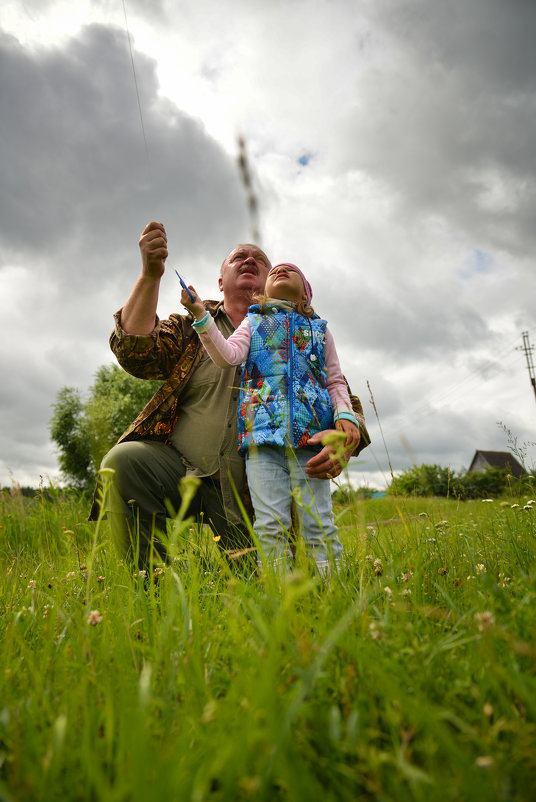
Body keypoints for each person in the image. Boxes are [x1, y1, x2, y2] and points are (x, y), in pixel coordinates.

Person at [90, 222, 370, 569]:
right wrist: (150, 275)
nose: (249, 260)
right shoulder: (192, 326)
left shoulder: (301, 333)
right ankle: (151, 589)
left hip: (258, 489)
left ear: (273, 281)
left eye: (260, 259)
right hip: (182, 469)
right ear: (221, 281)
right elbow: (136, 353)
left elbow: (339, 392)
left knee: (261, 583)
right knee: (123, 463)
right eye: (239, 257)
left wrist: (347, 436)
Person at [180, 262, 359, 573]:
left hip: (312, 441)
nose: (281, 269)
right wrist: (201, 317)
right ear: (262, 292)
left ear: (306, 293)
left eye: (292, 270)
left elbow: (334, 380)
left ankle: (335, 591)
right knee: (270, 524)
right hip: (261, 440)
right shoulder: (254, 322)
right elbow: (228, 356)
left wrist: (346, 416)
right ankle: (279, 597)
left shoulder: (320, 329)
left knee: (319, 523)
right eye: (276, 269)